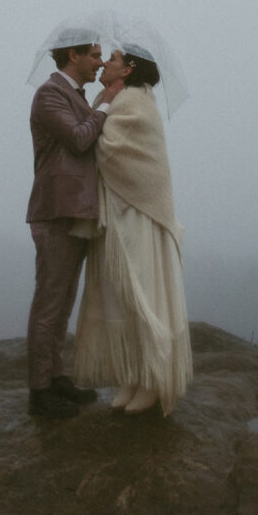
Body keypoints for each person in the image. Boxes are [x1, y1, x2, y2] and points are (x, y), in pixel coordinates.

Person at [73, 46, 193, 416]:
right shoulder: (111, 99)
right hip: (114, 216)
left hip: (139, 215)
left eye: (112, 59)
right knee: (115, 297)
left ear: (127, 71)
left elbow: (109, 150)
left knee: (142, 292)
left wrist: (99, 116)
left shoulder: (137, 103)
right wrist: (102, 107)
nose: (105, 64)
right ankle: (131, 375)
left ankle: (153, 380)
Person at [25, 33, 124, 418]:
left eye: (101, 56)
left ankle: (56, 377)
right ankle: (39, 391)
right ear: (74, 55)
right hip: (56, 212)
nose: (100, 63)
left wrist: (99, 104)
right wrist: (107, 104)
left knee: (63, 302)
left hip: (77, 212)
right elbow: (80, 140)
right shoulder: (49, 95)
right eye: (95, 55)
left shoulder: (79, 97)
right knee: (49, 302)